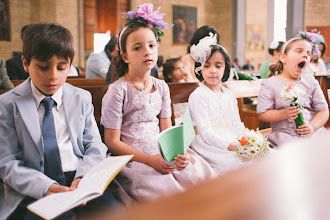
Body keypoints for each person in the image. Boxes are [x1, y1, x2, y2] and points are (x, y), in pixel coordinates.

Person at [0, 23, 118, 220]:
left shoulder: (81, 98)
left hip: (79, 177)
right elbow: (7, 162)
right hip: (34, 183)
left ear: (70, 65)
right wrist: (45, 187)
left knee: (116, 212)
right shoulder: (8, 104)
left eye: (61, 67)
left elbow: (94, 144)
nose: (53, 76)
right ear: (26, 63)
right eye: (43, 67)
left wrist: (83, 177)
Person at [101, 3, 216, 205]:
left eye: (152, 45)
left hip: (161, 151)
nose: (147, 52)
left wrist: (176, 153)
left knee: (196, 173)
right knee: (166, 192)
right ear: (124, 56)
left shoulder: (162, 87)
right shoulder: (117, 90)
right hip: (133, 159)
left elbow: (166, 131)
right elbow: (112, 142)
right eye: (138, 47)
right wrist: (149, 159)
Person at [188, 33, 248, 175]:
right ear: (199, 69)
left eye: (218, 65)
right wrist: (228, 145)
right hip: (208, 143)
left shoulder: (228, 94)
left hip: (230, 136)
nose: (213, 70)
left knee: (261, 155)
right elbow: (205, 131)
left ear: (226, 68)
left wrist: (247, 139)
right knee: (238, 162)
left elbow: (236, 123)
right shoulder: (198, 95)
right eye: (206, 66)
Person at [257, 31, 329, 148]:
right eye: (299, 51)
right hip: (284, 136)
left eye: (308, 53)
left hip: (312, 134)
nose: (306, 55)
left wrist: (312, 126)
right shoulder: (270, 84)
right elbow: (263, 113)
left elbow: (323, 111)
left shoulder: (311, 82)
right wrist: (283, 114)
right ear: (283, 57)